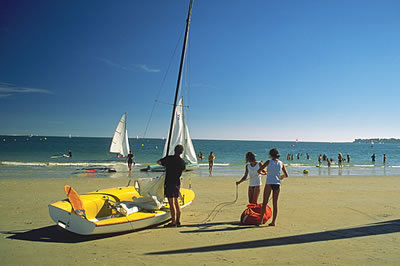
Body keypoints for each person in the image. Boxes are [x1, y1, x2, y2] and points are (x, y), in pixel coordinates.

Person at [257, 148, 289, 226]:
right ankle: (273, 222)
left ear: (270, 155)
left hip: (269, 183)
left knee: (265, 202)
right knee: (275, 203)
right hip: (277, 183)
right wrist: (281, 177)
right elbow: (286, 175)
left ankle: (260, 220)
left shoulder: (269, 162)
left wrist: (264, 173)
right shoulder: (281, 163)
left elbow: (259, 171)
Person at [157, 144, 186, 227]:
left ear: (174, 150)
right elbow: (183, 169)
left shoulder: (169, 158)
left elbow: (158, 162)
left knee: (171, 203)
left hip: (169, 182)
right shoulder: (182, 162)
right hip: (177, 182)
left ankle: (173, 222)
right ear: (181, 152)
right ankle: (178, 221)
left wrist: (165, 163)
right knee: (176, 202)